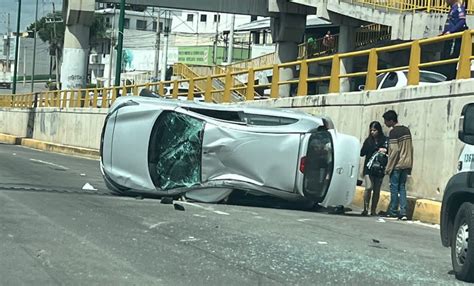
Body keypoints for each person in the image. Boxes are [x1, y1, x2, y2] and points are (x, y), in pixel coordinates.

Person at [383, 110, 414, 221]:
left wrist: (388, 167)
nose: (385, 123)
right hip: (406, 164)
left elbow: (394, 151)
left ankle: (393, 211)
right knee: (402, 188)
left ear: (391, 120)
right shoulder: (406, 130)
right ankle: (404, 212)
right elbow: (411, 149)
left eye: (386, 121)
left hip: (397, 165)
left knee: (394, 188)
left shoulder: (393, 132)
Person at [360, 121, 388, 216]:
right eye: (371, 130)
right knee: (368, 187)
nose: (372, 132)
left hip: (379, 168)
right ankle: (365, 208)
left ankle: (373, 210)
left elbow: (389, 151)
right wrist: (372, 148)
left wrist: (384, 150)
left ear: (379, 131)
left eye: (374, 130)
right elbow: (362, 153)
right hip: (369, 168)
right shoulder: (368, 141)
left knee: (376, 190)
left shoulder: (384, 140)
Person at [441, 0, 469, 80]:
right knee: (445, 57)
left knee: (452, 57)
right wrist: (444, 33)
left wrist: (451, 32)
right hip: (448, 38)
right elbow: (451, 22)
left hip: (454, 38)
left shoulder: (458, 7)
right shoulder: (452, 8)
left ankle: (450, 77)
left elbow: (462, 21)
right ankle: (446, 76)